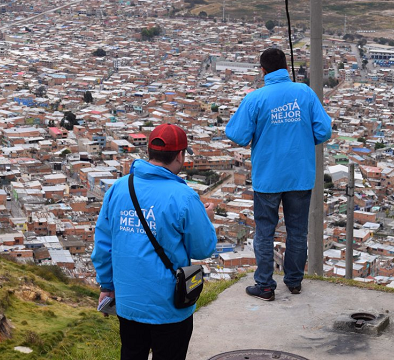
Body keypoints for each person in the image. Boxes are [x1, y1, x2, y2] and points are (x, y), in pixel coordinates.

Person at [92, 123, 217, 360]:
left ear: (149, 151)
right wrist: (206, 219)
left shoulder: (119, 188)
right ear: (180, 155)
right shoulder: (184, 197)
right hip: (168, 306)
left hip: (128, 302)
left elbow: (103, 244)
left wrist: (106, 286)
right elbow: (203, 248)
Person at [225, 48, 332, 301]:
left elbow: (237, 135)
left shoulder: (255, 98)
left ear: (263, 70)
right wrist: (303, 139)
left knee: (265, 231)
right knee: (297, 231)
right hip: (299, 176)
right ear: (286, 67)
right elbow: (324, 131)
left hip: (268, 177)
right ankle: (294, 282)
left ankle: (264, 285)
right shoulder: (304, 93)